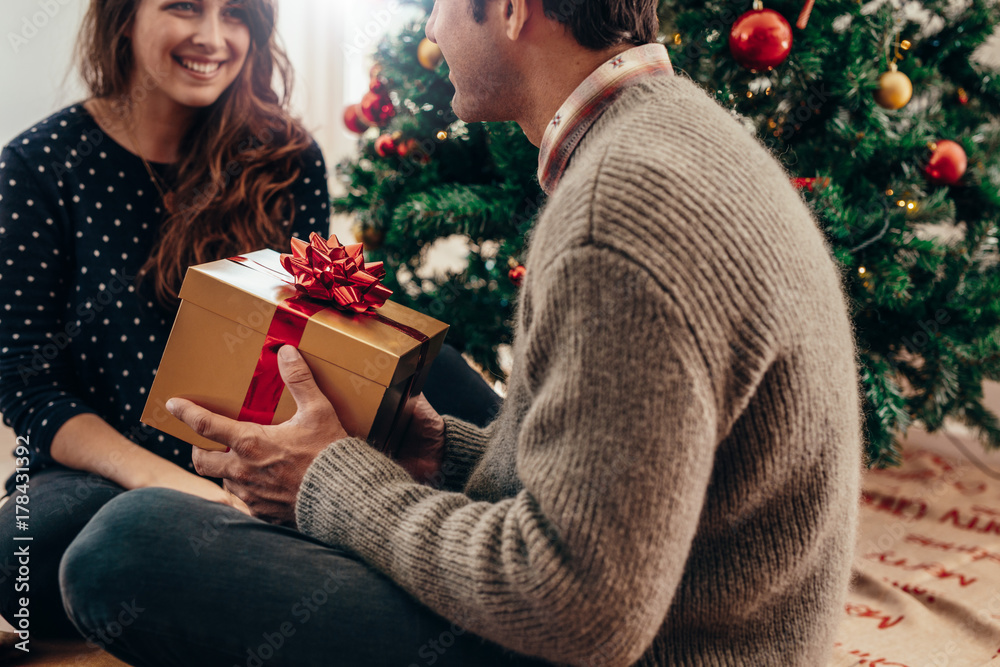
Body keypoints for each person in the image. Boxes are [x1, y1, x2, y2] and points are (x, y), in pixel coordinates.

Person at [59, 0, 864, 664]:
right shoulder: (675, 131)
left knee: (124, 549)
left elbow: (581, 608)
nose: (432, 32)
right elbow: (646, 483)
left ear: (512, 11)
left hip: (643, 645)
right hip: (700, 608)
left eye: (440, 5)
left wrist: (332, 484)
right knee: (418, 380)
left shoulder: (615, 212)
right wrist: (440, 454)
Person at [0, 0, 328, 638]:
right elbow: (24, 383)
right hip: (95, 467)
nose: (212, 38)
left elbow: (310, 344)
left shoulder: (286, 160)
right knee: (29, 550)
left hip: (254, 467)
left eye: (234, 14)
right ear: (122, 17)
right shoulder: (37, 168)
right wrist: (165, 481)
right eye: (184, 7)